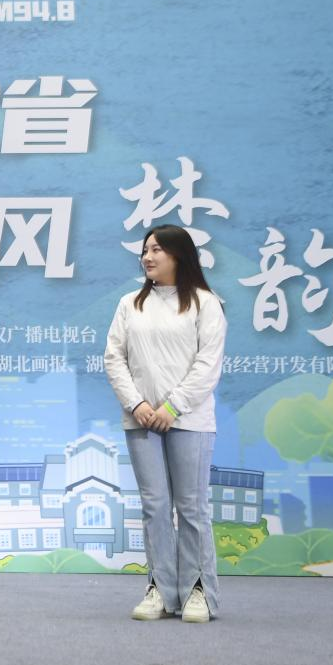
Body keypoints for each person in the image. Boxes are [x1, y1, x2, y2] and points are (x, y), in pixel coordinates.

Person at [104, 224, 226, 624]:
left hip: (190, 420)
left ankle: (198, 591)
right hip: (140, 419)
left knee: (191, 507)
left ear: (179, 255)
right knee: (155, 506)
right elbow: (114, 359)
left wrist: (172, 407)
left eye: (157, 249)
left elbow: (207, 366)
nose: (148, 256)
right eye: (145, 250)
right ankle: (160, 588)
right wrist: (137, 403)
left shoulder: (206, 303)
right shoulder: (130, 304)